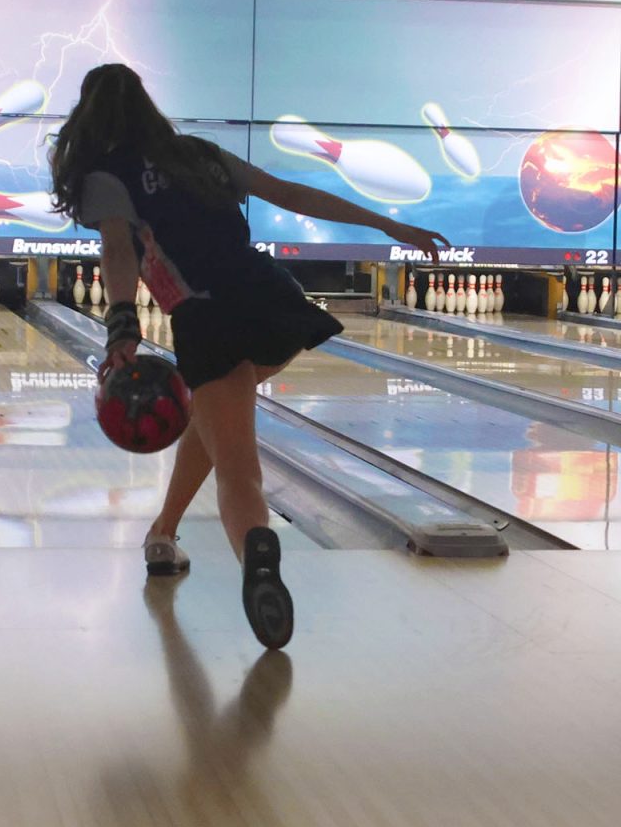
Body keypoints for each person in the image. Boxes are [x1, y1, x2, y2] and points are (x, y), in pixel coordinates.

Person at [50, 63, 449, 650]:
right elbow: (291, 194)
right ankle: (162, 533)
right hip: (273, 298)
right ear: (147, 106)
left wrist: (121, 327)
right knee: (218, 416)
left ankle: (255, 549)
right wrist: (387, 224)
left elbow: (117, 249)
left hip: (207, 317)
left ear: (89, 116)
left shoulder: (106, 173)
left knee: (239, 468)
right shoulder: (199, 154)